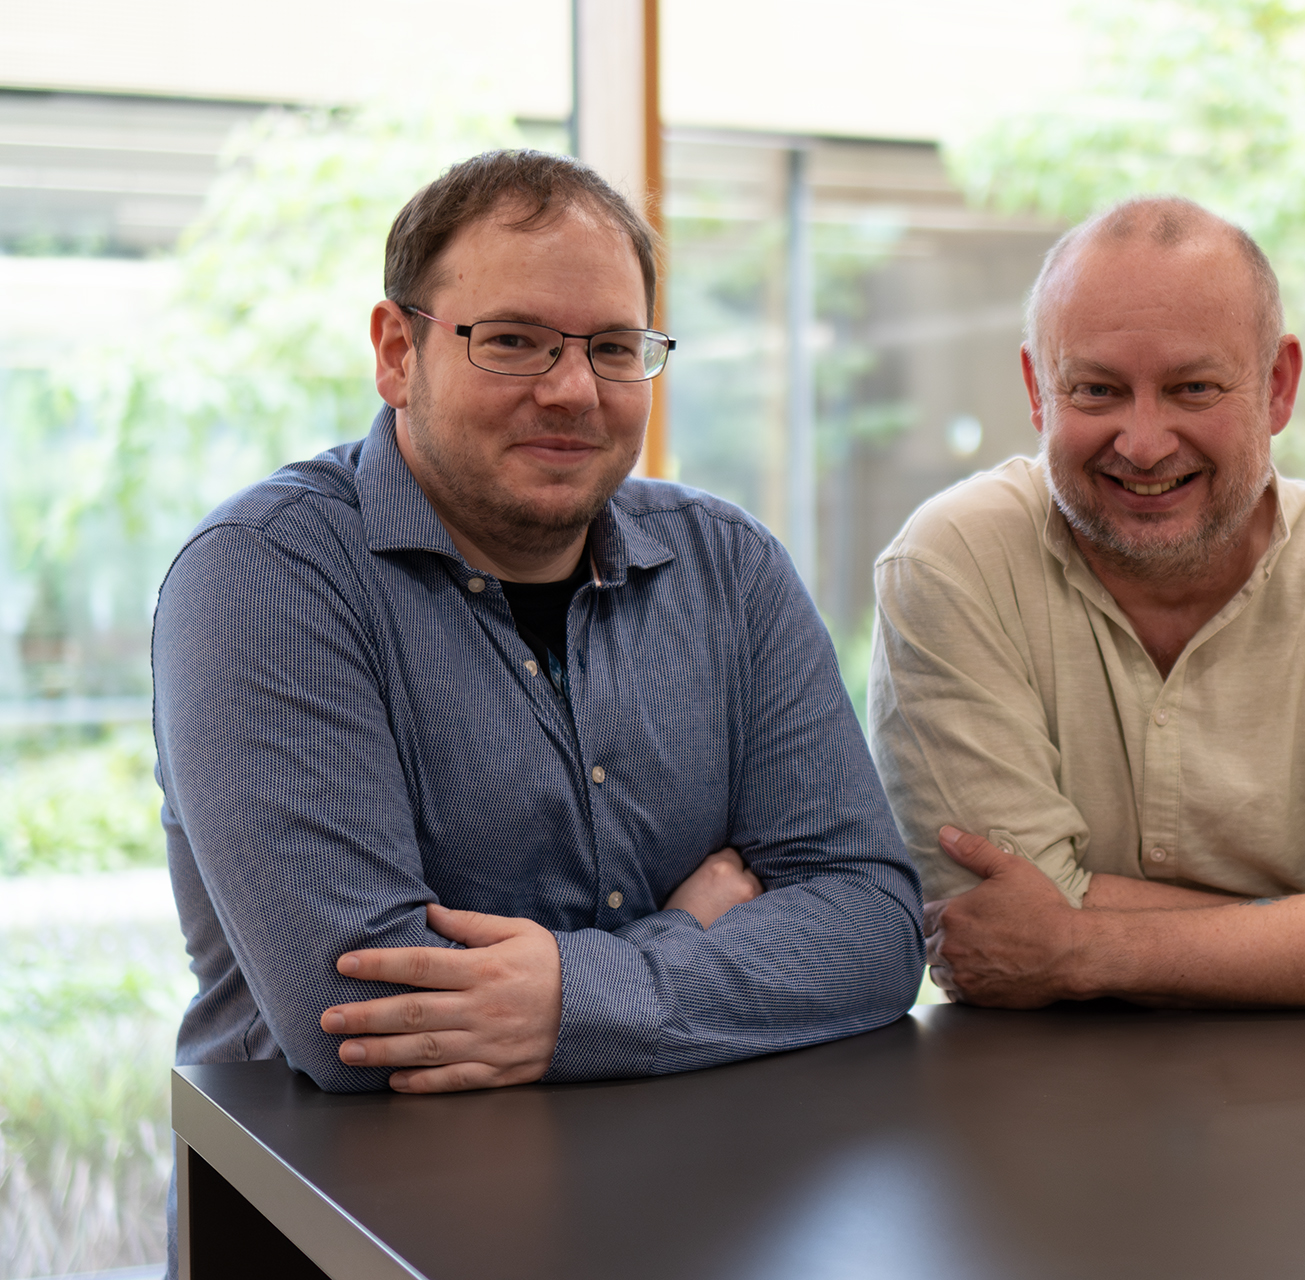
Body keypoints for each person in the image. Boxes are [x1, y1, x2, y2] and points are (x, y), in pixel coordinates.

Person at [153, 150, 923, 1105]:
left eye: (611, 347)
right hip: (342, 1219)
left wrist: (568, 998)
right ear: (398, 353)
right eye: (513, 340)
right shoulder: (263, 574)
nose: (571, 390)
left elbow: (877, 929)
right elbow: (354, 1017)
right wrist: (686, 940)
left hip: (690, 1203)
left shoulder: (729, 566)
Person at [868, 196, 1305, 1027]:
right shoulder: (953, 563)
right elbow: (991, 922)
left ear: (1277, 385)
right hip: (1036, 1116)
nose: (1145, 441)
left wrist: (1076, 947)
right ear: (1037, 391)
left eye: (1193, 388)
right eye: (1097, 390)